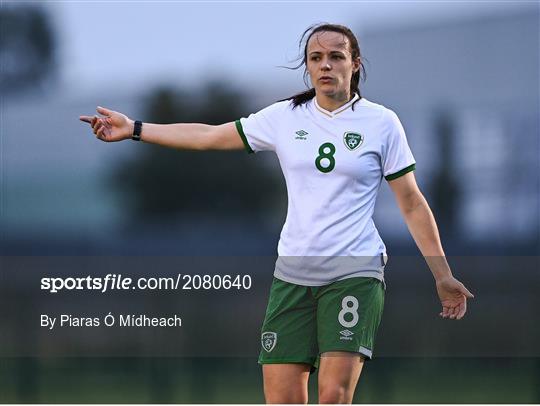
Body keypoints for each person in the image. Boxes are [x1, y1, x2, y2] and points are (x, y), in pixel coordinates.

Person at [80, 23, 474, 404]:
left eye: (336, 56)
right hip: (293, 272)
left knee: (334, 396)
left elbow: (410, 201)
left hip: (355, 270)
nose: (325, 65)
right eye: (315, 57)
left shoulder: (382, 123)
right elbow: (208, 136)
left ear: (355, 63)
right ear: (307, 66)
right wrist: (134, 128)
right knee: (282, 399)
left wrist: (442, 273)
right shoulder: (285, 117)